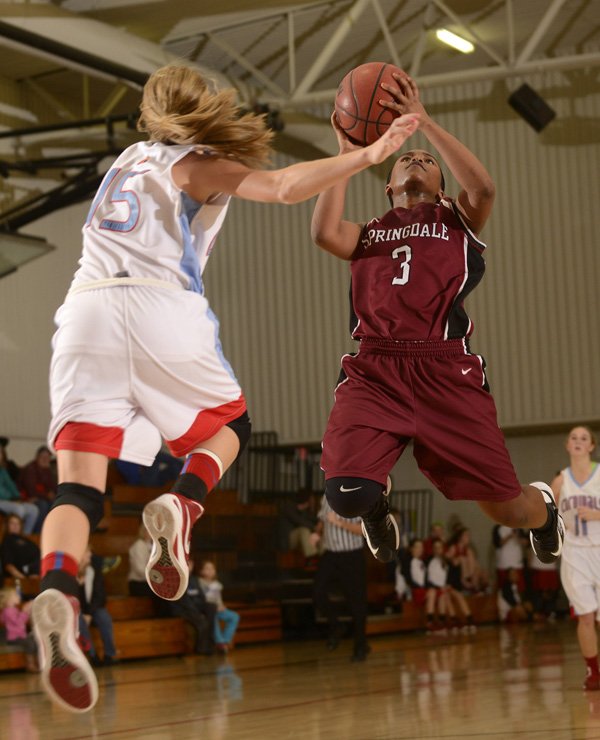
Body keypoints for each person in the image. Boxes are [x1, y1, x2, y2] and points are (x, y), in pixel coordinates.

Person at [30, 63, 421, 712]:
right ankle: (181, 506)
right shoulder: (197, 164)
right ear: (203, 110)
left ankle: (58, 589)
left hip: (82, 317)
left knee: (77, 488)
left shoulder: (128, 160)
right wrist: (368, 153)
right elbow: (286, 186)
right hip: (155, 306)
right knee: (228, 430)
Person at [310, 72, 564, 572]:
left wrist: (424, 123)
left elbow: (484, 186)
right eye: (408, 156)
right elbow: (322, 232)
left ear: (442, 185)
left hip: (446, 372)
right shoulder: (369, 233)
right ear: (387, 185)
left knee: (505, 507)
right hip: (376, 369)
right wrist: (345, 153)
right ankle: (376, 509)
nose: (417, 159)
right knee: (345, 495)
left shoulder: (457, 220)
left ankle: (542, 512)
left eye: (426, 160)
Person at [551, 425, 600, 691]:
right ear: (567, 445)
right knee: (585, 617)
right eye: (573, 438)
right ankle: (593, 671)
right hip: (575, 553)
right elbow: (547, 519)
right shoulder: (560, 482)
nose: (578, 441)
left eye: (584, 438)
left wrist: (597, 515)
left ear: (591, 446)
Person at [311, 494, 370, 661]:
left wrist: (340, 522)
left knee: (356, 602)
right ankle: (337, 626)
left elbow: (363, 531)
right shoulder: (327, 494)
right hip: (330, 554)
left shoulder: (359, 495)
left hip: (352, 555)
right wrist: (316, 533)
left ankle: (360, 645)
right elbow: (322, 520)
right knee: (317, 593)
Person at [76, 547, 118, 667]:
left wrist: (89, 613)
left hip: (92, 607)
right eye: (87, 552)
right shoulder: (71, 573)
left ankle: (109, 655)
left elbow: (100, 596)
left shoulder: (93, 570)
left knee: (104, 617)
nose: (90, 555)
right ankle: (92, 655)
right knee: (79, 621)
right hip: (77, 610)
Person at [199, 560, 239, 653]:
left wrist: (221, 606)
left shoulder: (217, 584)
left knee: (234, 616)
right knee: (213, 616)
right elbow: (204, 599)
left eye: (212, 568)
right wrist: (215, 607)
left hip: (218, 608)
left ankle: (225, 640)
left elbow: (218, 599)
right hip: (208, 610)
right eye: (207, 568)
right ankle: (220, 642)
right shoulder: (199, 583)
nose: (210, 570)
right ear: (202, 571)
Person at [0, 585, 38, 672]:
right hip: (14, 638)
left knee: (34, 640)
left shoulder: (13, 609)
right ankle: (30, 664)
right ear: (8, 599)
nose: (18, 596)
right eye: (15, 595)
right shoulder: (8, 611)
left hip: (20, 635)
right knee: (29, 643)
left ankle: (35, 662)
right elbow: (18, 622)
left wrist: (27, 611)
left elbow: (21, 620)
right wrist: (25, 611)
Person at [19, 446, 57, 532]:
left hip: (41, 497)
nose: (45, 459)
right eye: (42, 457)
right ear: (37, 457)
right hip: (26, 498)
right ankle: (37, 533)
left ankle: (51, 532)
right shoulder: (30, 469)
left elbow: (53, 488)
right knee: (43, 505)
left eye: (47, 457)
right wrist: (47, 495)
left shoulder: (47, 470)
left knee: (56, 503)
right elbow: (32, 492)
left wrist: (50, 494)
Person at [0, 448, 38, 535]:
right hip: (3, 500)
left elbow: (11, 485)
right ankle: (14, 538)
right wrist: (12, 498)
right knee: (19, 509)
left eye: (0, 453)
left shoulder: (2, 470)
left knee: (33, 509)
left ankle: (24, 536)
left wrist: (18, 497)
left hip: (8, 500)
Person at [277, 489, 319, 559]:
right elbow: (299, 521)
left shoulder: (305, 511)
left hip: (299, 539)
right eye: (312, 498)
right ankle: (311, 556)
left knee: (318, 532)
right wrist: (315, 528)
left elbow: (314, 520)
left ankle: (323, 555)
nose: (313, 501)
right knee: (304, 530)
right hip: (287, 539)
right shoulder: (289, 507)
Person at [1, 514, 40, 579]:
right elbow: (8, 565)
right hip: (26, 574)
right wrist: (24, 579)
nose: (15, 526)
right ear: (7, 525)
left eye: (18, 523)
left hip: (38, 571)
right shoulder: (7, 540)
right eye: (12, 523)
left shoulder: (26, 539)